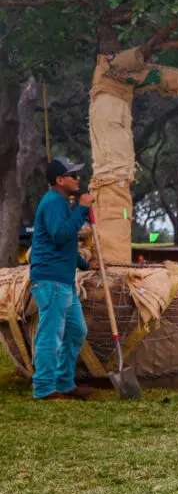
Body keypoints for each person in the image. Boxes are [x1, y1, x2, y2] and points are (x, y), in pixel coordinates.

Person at [29, 158, 96, 401]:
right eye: (72, 175)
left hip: (63, 280)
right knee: (51, 335)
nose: (77, 179)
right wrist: (81, 209)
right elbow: (59, 235)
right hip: (51, 280)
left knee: (76, 330)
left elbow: (65, 244)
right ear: (59, 180)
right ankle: (45, 389)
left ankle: (65, 383)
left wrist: (86, 264)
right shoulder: (54, 202)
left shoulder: (60, 203)